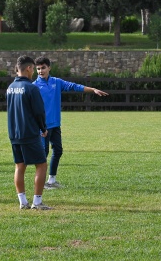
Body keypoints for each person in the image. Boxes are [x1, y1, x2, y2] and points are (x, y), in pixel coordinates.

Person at [33, 56, 109, 189]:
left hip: (55, 125)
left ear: (49, 68)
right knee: (43, 154)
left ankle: (51, 181)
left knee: (58, 151)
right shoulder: (33, 87)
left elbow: (74, 86)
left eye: (43, 68)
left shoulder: (56, 82)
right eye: (38, 69)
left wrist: (92, 90)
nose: (40, 71)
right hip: (42, 127)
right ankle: (41, 183)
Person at [7, 56, 52, 210]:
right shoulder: (32, 88)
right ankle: (37, 203)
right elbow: (39, 112)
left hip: (14, 132)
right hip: (29, 132)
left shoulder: (10, 87)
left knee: (20, 166)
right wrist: (43, 128)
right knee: (41, 164)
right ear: (28, 68)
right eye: (33, 68)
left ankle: (23, 202)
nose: (34, 71)